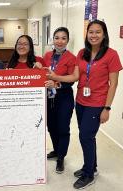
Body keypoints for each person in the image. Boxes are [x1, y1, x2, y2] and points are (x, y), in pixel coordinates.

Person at [48, 20, 123, 189]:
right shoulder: (82, 53)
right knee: (87, 136)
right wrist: (55, 77)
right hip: (81, 101)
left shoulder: (111, 55)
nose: (94, 35)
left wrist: (107, 108)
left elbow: (114, 83)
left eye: (98, 32)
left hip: (97, 103)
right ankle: (92, 168)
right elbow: (74, 77)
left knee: (85, 137)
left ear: (104, 35)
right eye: (91, 32)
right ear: (86, 34)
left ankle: (88, 175)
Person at [43, 27, 77, 174]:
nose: (60, 41)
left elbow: (72, 80)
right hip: (49, 98)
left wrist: (56, 83)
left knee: (63, 128)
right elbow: (41, 73)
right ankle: (56, 150)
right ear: (53, 39)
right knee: (51, 126)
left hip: (64, 98)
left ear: (67, 40)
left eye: (63, 38)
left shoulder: (72, 58)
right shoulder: (47, 55)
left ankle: (61, 158)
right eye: (57, 37)